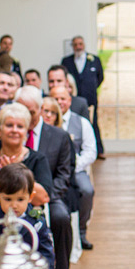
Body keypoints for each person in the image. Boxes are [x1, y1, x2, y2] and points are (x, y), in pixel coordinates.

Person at [15, 86, 75, 269]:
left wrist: (47, 196)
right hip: (14, 196)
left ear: (40, 109)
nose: (25, 117)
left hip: (51, 194)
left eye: (30, 112)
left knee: (60, 218)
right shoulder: (11, 132)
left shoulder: (58, 136)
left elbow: (64, 174)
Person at [50, 85, 96, 250]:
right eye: (55, 98)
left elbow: (91, 151)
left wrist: (74, 165)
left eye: (62, 98)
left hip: (76, 170)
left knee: (87, 190)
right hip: (52, 171)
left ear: (69, 100)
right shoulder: (48, 121)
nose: (59, 102)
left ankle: (82, 231)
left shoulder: (81, 122)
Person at [61, 35, 106, 156]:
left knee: (93, 122)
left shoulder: (94, 60)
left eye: (80, 44)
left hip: (90, 98)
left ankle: (98, 150)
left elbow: (100, 77)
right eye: (75, 45)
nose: (78, 47)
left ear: (84, 44)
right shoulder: (66, 61)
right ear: (72, 46)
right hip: (73, 99)